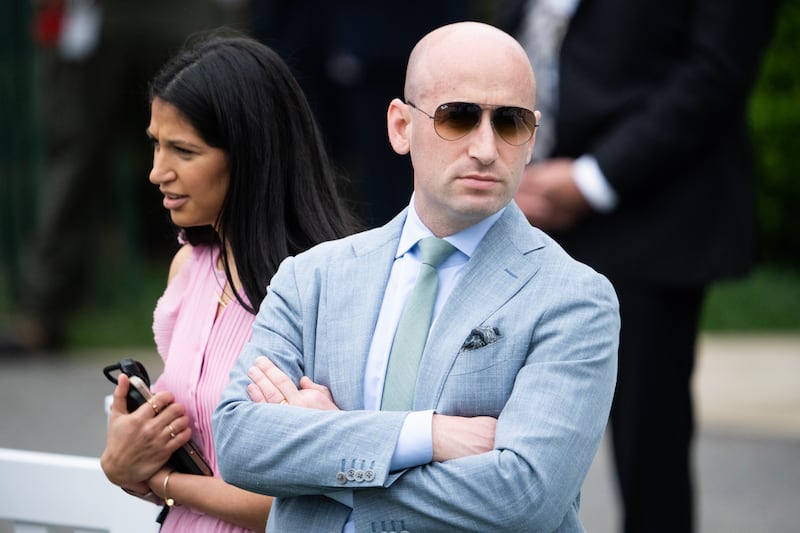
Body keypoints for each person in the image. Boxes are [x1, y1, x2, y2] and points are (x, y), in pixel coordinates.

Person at [213, 21, 619, 532]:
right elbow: (239, 444)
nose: (486, 148)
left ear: (533, 136)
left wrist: (329, 444)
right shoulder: (311, 277)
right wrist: (424, 436)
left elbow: (523, 496)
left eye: (510, 123)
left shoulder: (575, 297)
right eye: (458, 117)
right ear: (401, 126)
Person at [503, 1, 780, 531]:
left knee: (648, 445)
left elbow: (717, 70)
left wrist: (593, 179)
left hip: (653, 217)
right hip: (527, 204)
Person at [99, 34, 359, 532]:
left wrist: (160, 482)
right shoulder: (190, 265)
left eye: (183, 150)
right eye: (155, 143)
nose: (157, 171)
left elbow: (312, 493)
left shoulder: (329, 283)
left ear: (251, 155)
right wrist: (126, 454)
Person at [0, 0, 248, 353]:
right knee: (75, 156)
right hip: (96, 12)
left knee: (221, 129)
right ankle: (42, 309)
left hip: (187, 9)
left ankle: (244, 302)